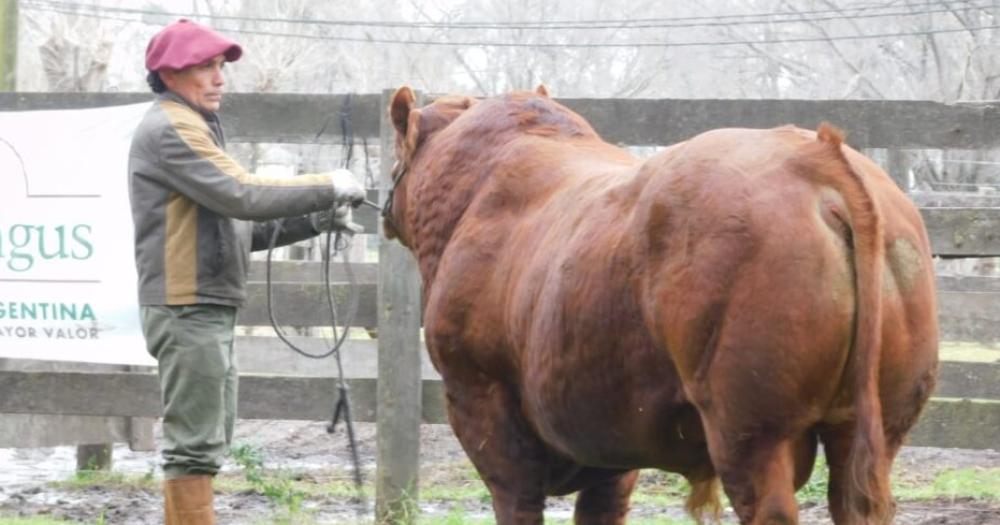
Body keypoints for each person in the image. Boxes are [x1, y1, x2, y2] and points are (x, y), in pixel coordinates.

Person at [128, 19, 364, 524]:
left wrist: (320, 218)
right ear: (170, 74)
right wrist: (330, 184)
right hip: (187, 306)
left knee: (205, 442)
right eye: (206, 67)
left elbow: (239, 225)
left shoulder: (194, 124)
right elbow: (244, 194)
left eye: (221, 68)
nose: (220, 79)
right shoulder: (172, 128)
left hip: (201, 304)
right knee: (194, 447)